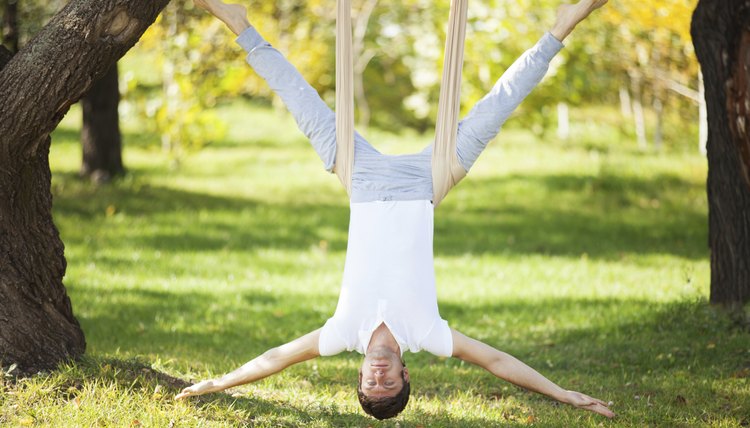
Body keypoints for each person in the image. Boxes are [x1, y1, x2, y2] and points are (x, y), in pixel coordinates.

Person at [176, 0, 615, 421]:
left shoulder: (342, 333)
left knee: (298, 96)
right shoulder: (427, 333)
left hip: (360, 178)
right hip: (429, 180)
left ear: (359, 375)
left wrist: (219, 383)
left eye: (371, 384)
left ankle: (238, 22)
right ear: (407, 374)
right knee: (499, 105)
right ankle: (564, 24)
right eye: (390, 385)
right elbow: (497, 361)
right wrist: (562, 394)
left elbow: (275, 360)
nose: (380, 377)